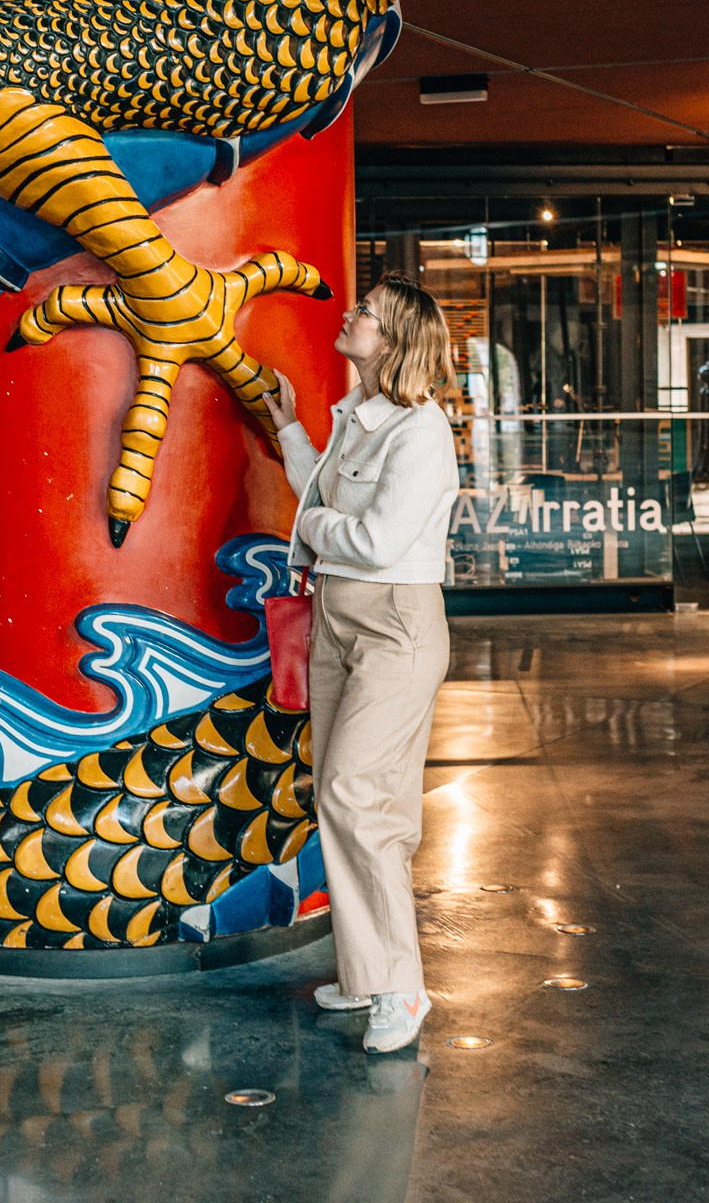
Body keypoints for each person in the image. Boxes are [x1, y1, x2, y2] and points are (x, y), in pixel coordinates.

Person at [265, 274, 461, 1054]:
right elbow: (321, 490)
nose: (351, 314)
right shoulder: (359, 414)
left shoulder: (422, 431)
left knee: (354, 794)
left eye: (367, 312)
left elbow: (375, 542)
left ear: (397, 339)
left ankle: (401, 987)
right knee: (354, 800)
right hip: (337, 617)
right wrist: (288, 429)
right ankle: (366, 971)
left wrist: (311, 526)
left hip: (395, 625)